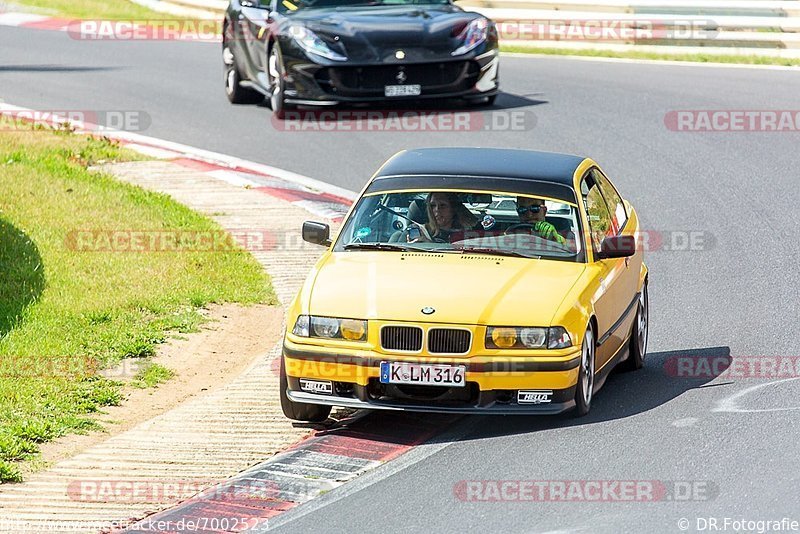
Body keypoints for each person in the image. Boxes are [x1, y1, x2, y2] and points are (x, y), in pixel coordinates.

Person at [411, 192, 477, 242]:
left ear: (453, 208)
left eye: (442, 205)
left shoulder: (470, 235)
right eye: (433, 205)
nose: (437, 210)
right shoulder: (417, 231)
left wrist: (428, 245)